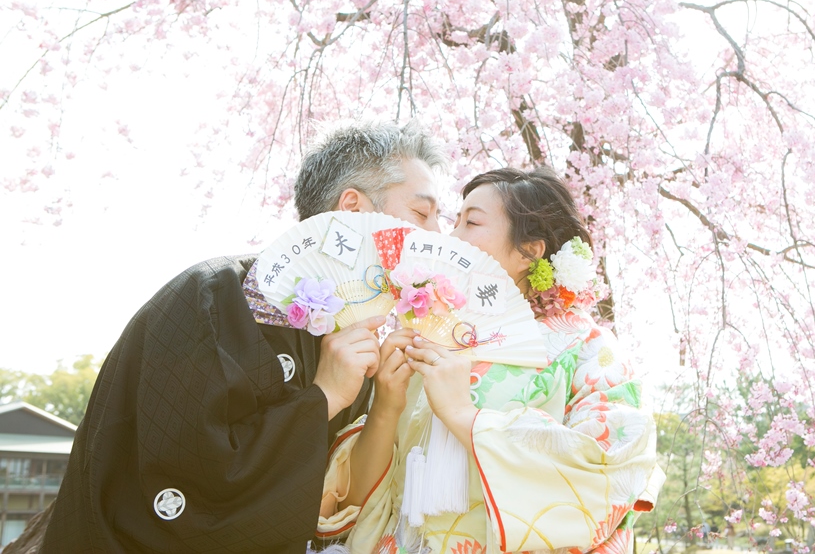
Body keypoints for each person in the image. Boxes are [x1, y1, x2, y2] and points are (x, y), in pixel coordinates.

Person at [37, 122, 447, 554]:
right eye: (422, 214)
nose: (438, 233)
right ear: (353, 208)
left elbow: (331, 507)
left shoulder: (352, 336)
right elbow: (189, 481)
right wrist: (322, 397)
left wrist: (384, 403)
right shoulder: (215, 294)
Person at [316, 167, 663, 554]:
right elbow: (355, 504)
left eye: (472, 222)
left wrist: (467, 417)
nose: (450, 237)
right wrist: (385, 407)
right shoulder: (430, 338)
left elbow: (606, 475)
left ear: (528, 252)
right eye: (455, 220)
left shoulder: (587, 347)